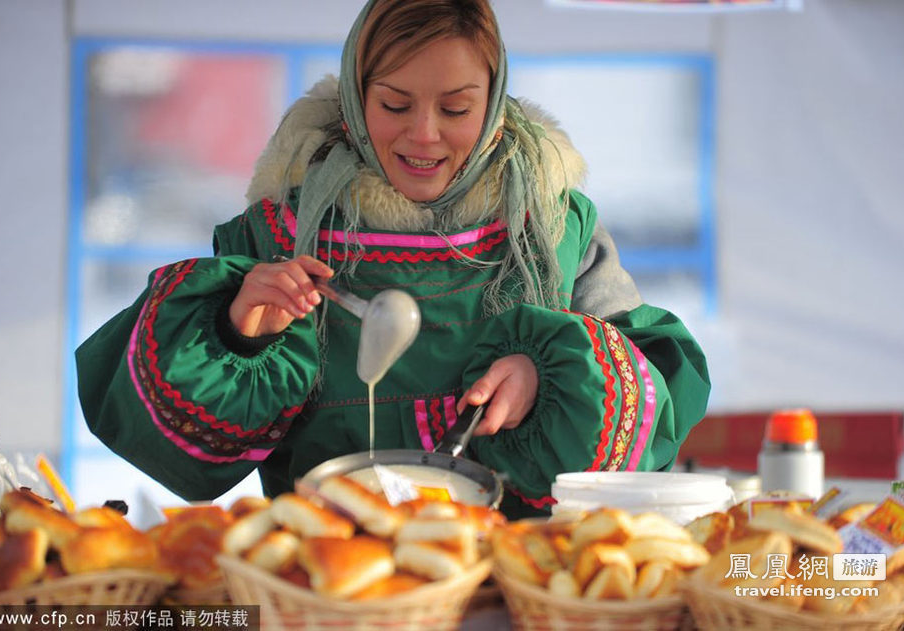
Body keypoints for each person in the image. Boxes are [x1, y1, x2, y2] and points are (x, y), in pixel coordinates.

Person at [76, 0, 710, 519]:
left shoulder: (551, 227)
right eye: (395, 105)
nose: (424, 133)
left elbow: (650, 405)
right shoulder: (281, 235)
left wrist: (548, 376)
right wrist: (236, 334)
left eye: (456, 108)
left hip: (520, 581)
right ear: (355, 100)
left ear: (492, 106)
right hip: (329, 580)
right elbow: (180, 451)